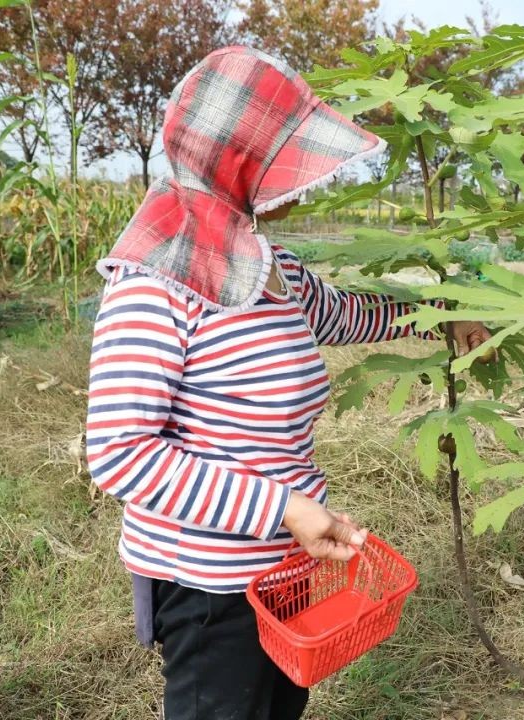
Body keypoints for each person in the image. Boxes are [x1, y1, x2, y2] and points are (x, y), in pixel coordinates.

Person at [84, 46, 491, 720]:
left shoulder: (271, 267)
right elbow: (122, 453)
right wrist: (285, 509)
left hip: (284, 563)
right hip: (208, 584)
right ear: (237, 164)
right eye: (284, 161)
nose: (302, 183)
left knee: (278, 707)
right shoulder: (153, 288)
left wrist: (439, 317)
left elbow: (349, 314)